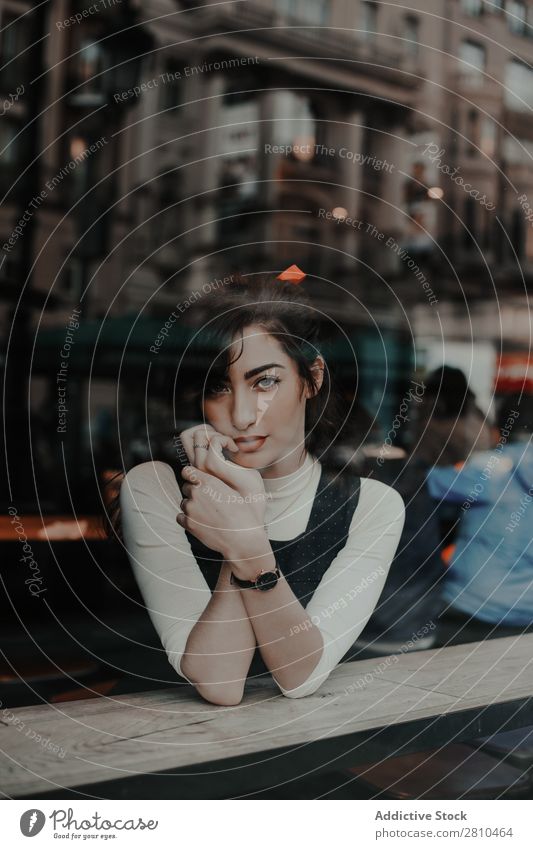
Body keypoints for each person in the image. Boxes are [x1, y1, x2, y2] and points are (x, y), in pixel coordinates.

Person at [117, 269, 405, 705]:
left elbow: (301, 676)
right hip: (146, 745)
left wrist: (246, 542)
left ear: (313, 379)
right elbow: (219, 681)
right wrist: (231, 501)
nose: (243, 415)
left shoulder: (370, 507)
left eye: (265, 381)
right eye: (219, 387)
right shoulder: (155, 488)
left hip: (297, 752)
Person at [426, 393, 533, 628]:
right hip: (528, 612)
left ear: (497, 430)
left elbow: (426, 484)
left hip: (477, 605)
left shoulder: (492, 468)